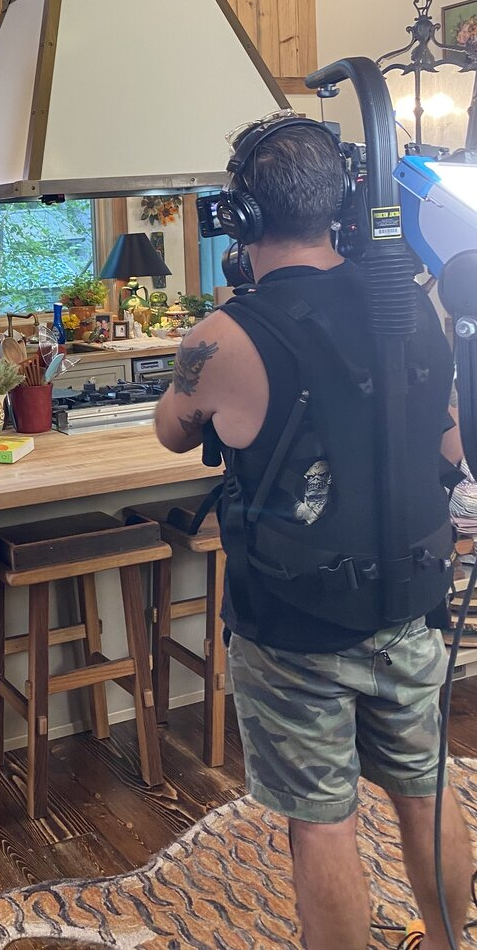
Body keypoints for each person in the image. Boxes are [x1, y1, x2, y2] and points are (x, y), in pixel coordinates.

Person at [154, 113, 472, 950]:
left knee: (322, 822)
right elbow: (450, 442)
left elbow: (171, 430)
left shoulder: (223, 335)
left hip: (293, 621)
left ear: (242, 217)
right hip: (411, 598)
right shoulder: (411, 306)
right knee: (426, 790)